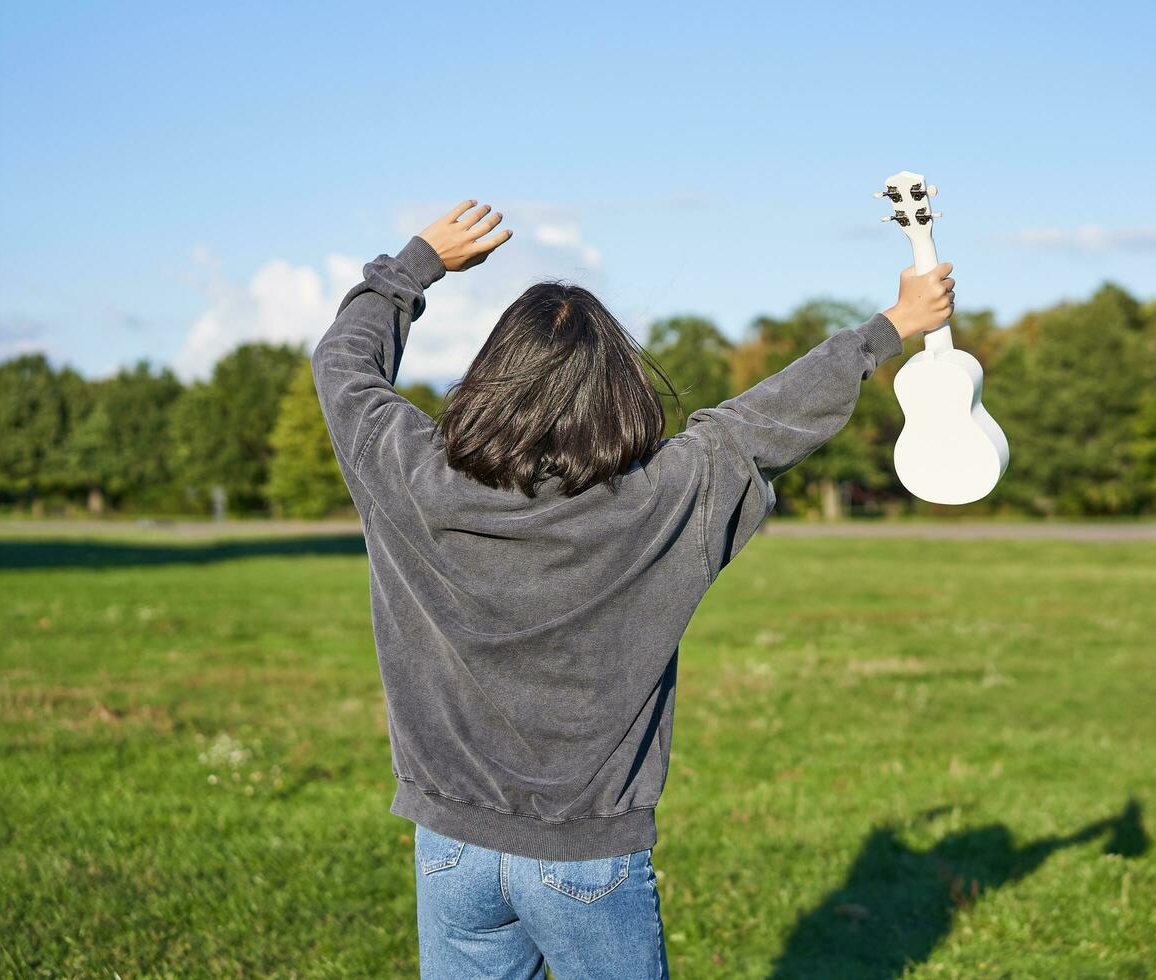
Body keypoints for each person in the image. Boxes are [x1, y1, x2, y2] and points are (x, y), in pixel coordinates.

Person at [312, 200, 953, 979]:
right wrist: (890, 326)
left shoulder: (405, 473)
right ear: (615, 396)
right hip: (588, 861)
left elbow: (343, 368)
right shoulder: (662, 500)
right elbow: (765, 423)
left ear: (489, 380)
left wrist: (413, 266)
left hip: (449, 849)